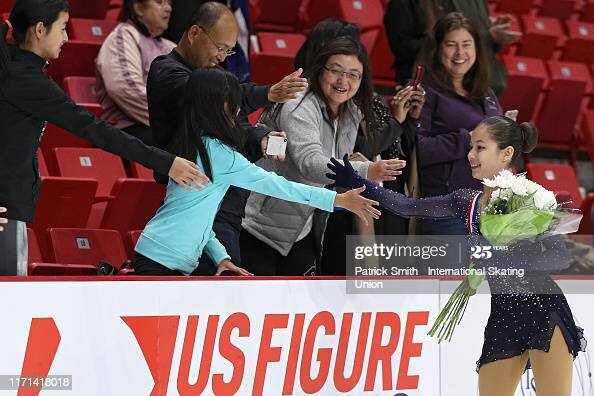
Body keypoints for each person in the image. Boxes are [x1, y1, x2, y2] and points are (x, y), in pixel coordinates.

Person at [327, 116, 586, 396]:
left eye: (480, 147)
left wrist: (499, 257)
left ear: (506, 154)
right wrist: (362, 182)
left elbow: (559, 257)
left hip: (544, 310)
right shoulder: (467, 200)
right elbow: (409, 207)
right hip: (503, 318)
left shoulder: (533, 198)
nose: (470, 155)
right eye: (470, 147)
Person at [0, 0, 207, 275]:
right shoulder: (27, 81)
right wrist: (167, 163)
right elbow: (96, 129)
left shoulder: (15, 72)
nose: (66, 37)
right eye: (62, 28)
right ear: (40, 29)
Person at [133, 67, 380, 276]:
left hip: (159, 253)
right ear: (215, 106)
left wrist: (220, 256)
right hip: (163, 260)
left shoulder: (194, 142)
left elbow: (197, 215)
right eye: (233, 103)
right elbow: (278, 186)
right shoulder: (220, 154)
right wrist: (337, 199)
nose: (239, 110)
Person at [147, 1, 308, 275]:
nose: (223, 57)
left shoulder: (215, 76)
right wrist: (267, 94)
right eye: (220, 47)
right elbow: (212, 104)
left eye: (229, 50)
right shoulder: (167, 71)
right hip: (194, 201)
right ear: (195, 33)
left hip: (228, 204)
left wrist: (262, 137)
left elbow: (236, 121)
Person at [240, 37, 406, 276]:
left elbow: (332, 175)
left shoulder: (351, 112)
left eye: (353, 75)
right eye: (336, 71)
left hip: (302, 229)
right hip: (257, 226)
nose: (343, 81)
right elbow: (310, 163)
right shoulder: (298, 104)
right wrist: (364, 170)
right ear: (320, 70)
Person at [292, 18, 425, 273]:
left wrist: (408, 120)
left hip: (379, 199)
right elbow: (352, 150)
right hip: (330, 207)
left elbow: (391, 147)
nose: (345, 75)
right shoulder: (304, 99)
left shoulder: (360, 99)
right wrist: (395, 122)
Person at [415, 12, 502, 235]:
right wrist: (468, 140)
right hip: (445, 208)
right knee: (448, 271)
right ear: (437, 49)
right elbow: (417, 149)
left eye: (466, 44)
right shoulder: (423, 90)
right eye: (451, 45)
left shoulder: (486, 92)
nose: (460, 53)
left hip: (487, 206)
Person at [384, 0, 520, 95]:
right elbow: (403, 49)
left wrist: (491, 38)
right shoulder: (402, 3)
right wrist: (485, 37)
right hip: (428, 85)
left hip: (467, 86)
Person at [95, 0, 176, 145]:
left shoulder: (169, 46)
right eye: (160, 2)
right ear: (138, 8)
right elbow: (124, 88)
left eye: (169, 3)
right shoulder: (123, 35)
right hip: (125, 129)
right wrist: (174, 116)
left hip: (160, 125)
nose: (168, 8)